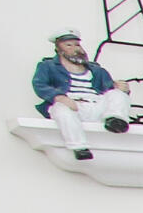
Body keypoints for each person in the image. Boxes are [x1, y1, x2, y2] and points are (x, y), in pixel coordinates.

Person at [32, 31, 132, 159]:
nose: (75, 49)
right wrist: (60, 97)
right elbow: (40, 85)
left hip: (95, 104)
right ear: (59, 49)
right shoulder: (48, 66)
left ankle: (114, 120)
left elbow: (110, 90)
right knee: (60, 110)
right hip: (72, 104)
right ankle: (79, 146)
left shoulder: (96, 70)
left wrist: (120, 88)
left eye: (77, 45)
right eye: (69, 45)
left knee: (116, 94)